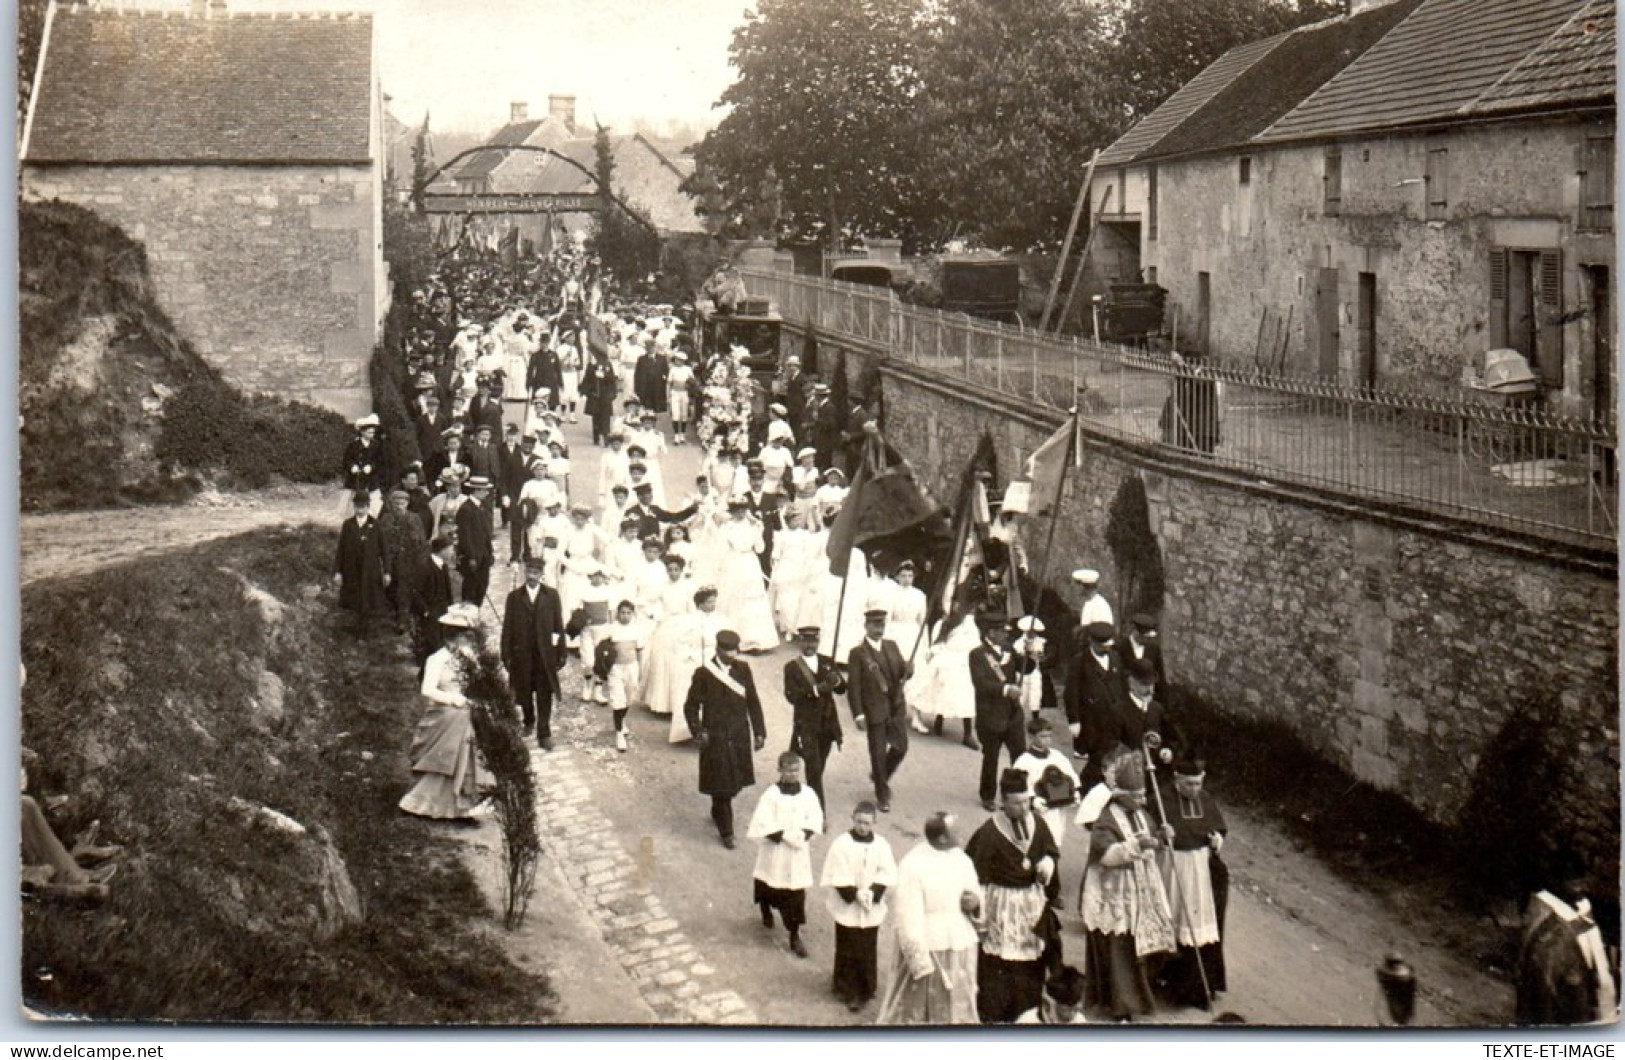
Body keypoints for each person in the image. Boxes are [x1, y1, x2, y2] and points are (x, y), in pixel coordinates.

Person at [1080, 754, 1176, 1021]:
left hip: (1143, 885)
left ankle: (1142, 995)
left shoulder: (1141, 814)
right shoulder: (1106, 818)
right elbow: (1106, 855)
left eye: (1143, 795)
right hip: (1115, 889)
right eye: (1137, 795)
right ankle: (1121, 1004)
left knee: (1142, 940)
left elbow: (1153, 840)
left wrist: (1162, 837)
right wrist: (1135, 847)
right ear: (1121, 794)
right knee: (1119, 944)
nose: (1143, 801)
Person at [965, 769, 1062, 1023]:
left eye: (1026, 800)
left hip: (1031, 902)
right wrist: (981, 915)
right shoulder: (989, 832)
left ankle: (1027, 1009)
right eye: (1017, 802)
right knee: (999, 960)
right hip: (1001, 905)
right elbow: (976, 875)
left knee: (1031, 959)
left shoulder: (1038, 824)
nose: (1024, 807)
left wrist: (1048, 865)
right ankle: (995, 1012)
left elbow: (1050, 851)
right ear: (1004, 802)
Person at [876, 812, 983, 1025]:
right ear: (942, 838)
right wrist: (919, 961)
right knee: (920, 1007)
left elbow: (974, 892)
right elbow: (907, 915)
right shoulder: (913, 865)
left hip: (959, 941)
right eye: (955, 830)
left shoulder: (962, 859)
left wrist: (975, 903)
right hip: (931, 947)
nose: (961, 833)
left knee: (958, 1000)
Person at [399, 605, 492, 820]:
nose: (461, 639)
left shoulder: (469, 658)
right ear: (448, 635)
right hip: (444, 711)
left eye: (465, 634)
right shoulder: (437, 659)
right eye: (456, 634)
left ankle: (463, 804)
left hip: (466, 709)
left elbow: (477, 683)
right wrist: (454, 699)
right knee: (458, 727)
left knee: (472, 733)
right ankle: (427, 803)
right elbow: (427, 690)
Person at [1150, 755, 1229, 1010]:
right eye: (1188, 784)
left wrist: (1217, 839)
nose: (1194, 790)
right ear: (1177, 779)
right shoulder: (1160, 800)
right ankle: (1164, 979)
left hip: (1200, 868)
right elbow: (1146, 832)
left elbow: (1217, 828)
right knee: (1174, 922)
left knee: (1198, 926)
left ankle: (1195, 987)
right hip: (1172, 867)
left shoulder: (1205, 799)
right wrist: (1161, 836)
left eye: (1197, 784)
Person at [683, 629, 767, 849]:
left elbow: (753, 702)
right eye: (727, 650)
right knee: (723, 785)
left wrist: (759, 732)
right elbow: (690, 706)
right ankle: (726, 831)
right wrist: (697, 730)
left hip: (738, 735)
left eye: (735, 650)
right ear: (717, 649)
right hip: (716, 737)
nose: (732, 654)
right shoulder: (704, 673)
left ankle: (717, 807)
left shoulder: (743, 669)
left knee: (734, 784)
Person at [1516, 855, 1621, 1025]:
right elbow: (1545, 982)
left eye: (1580, 880)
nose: (1580, 887)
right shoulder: (1549, 928)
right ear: (1557, 883)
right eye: (1572, 881)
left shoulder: (1583, 910)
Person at [821, 800, 897, 1013]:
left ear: (874, 823)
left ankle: (866, 987)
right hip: (849, 906)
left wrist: (873, 892)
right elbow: (838, 873)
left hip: (870, 906)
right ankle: (845, 987)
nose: (863, 827)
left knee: (867, 947)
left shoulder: (881, 845)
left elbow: (887, 871)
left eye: (867, 823)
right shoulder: (841, 844)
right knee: (847, 946)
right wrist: (854, 894)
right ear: (852, 820)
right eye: (859, 822)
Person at [747, 752, 825, 958]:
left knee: (796, 893)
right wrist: (785, 836)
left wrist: (804, 834)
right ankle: (765, 907)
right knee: (769, 882)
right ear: (780, 770)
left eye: (796, 771)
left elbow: (815, 817)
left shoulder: (808, 794)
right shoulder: (771, 795)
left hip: (797, 852)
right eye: (788, 771)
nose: (792, 775)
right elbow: (762, 822)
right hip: (776, 850)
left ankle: (794, 934)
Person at [846, 607, 911, 814]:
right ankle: (882, 793)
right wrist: (858, 713)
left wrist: (909, 669)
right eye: (874, 625)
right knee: (877, 752)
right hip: (874, 710)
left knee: (901, 747)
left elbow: (902, 672)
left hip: (896, 706)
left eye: (881, 624)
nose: (878, 629)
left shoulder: (892, 646)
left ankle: (878, 775)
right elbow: (853, 686)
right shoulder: (858, 653)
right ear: (866, 626)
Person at [500, 556, 566, 749]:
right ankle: (529, 720)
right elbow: (507, 628)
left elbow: (558, 625)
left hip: (544, 654)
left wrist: (560, 651)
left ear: (542, 574)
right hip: (523, 654)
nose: (532, 576)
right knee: (524, 692)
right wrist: (506, 653)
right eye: (529, 572)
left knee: (545, 693)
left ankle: (544, 732)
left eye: (536, 573)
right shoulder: (514, 597)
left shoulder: (551, 595)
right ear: (524, 573)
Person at [784, 626, 845, 812]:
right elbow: (791, 696)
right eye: (805, 640)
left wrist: (837, 680)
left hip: (828, 725)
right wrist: (816, 690)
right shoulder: (792, 667)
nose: (809, 645)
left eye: (813, 641)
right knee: (814, 771)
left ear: (818, 642)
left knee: (818, 769)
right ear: (799, 642)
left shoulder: (828, 662)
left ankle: (803, 799)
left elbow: (842, 689)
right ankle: (818, 813)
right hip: (806, 726)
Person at [971, 614, 1023, 811]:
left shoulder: (1009, 650)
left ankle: (1015, 793)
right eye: (1002, 632)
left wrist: (1031, 656)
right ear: (990, 633)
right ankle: (988, 795)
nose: (1006, 635)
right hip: (990, 714)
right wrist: (1005, 690)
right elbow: (981, 684)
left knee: (1019, 754)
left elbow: (1026, 669)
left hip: (1012, 712)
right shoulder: (977, 654)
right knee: (991, 756)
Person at [1012, 716, 1080, 852]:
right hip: (1039, 809)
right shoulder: (1024, 761)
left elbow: (1070, 775)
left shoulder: (1057, 756)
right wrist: (1033, 800)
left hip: (1058, 806)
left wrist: (1075, 791)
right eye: (1042, 736)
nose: (1047, 740)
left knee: (1056, 838)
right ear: (1031, 737)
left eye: (1049, 736)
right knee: (1037, 842)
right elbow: (1019, 786)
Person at [334, 490, 388, 633]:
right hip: (351, 568)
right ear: (354, 507)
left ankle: (367, 628)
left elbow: (384, 550)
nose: (360, 509)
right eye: (357, 506)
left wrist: (387, 571)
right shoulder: (348, 524)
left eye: (363, 506)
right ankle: (353, 627)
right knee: (353, 596)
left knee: (368, 597)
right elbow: (341, 549)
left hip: (370, 569)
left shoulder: (375, 524)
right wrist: (338, 571)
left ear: (368, 506)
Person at [599, 599, 648, 753]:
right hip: (616, 668)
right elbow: (602, 650)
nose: (625, 616)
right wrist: (604, 668)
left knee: (629, 697)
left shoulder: (637, 630)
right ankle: (619, 733)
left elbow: (640, 651)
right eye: (622, 613)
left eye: (628, 613)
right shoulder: (611, 629)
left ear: (632, 614)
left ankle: (622, 719)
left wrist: (639, 670)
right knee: (617, 699)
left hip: (631, 667)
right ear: (617, 613)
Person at [454, 475, 496, 606]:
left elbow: (486, 533)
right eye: (484, 490)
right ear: (476, 490)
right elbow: (464, 536)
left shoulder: (482, 507)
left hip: (483, 555)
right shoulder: (465, 509)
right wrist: (471, 557)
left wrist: (490, 552)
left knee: (482, 586)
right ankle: (468, 618)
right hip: (472, 558)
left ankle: (476, 613)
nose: (487, 493)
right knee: (471, 588)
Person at [1014, 965, 1088, 1025]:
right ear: (1047, 1004)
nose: (1080, 1007)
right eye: (1070, 1007)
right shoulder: (1026, 1022)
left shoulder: (1079, 1020)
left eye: (1079, 1002)